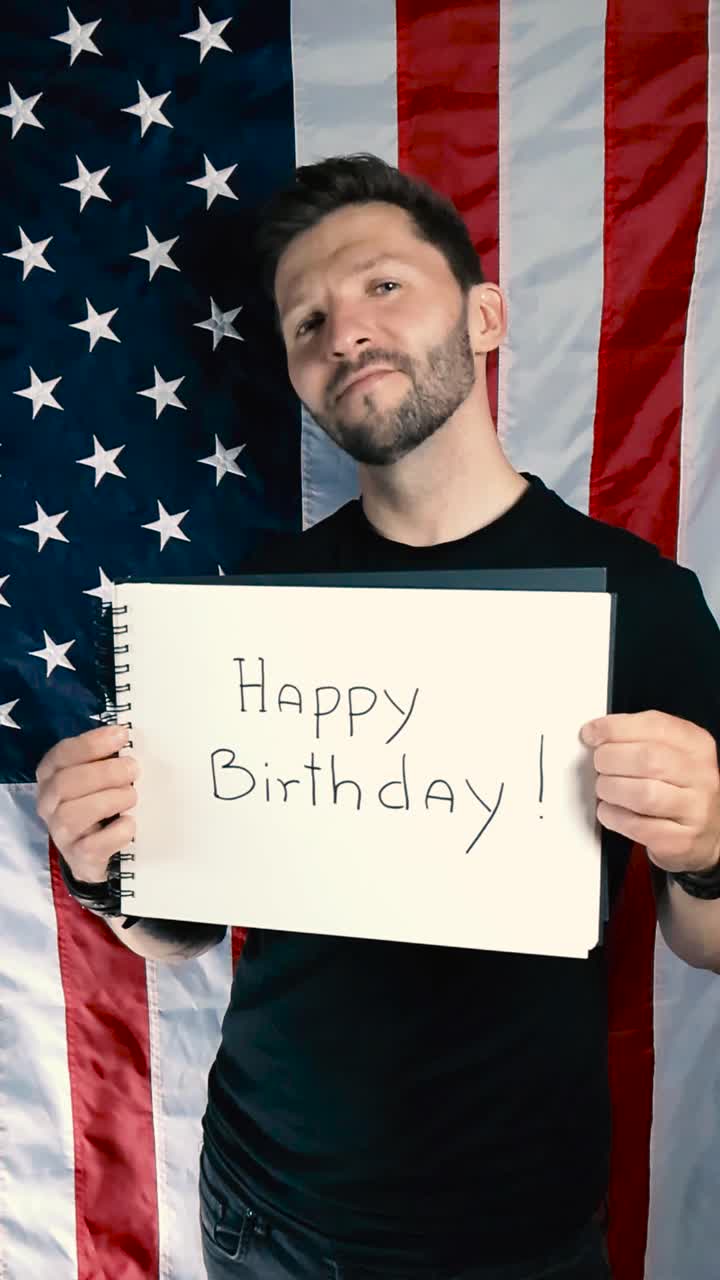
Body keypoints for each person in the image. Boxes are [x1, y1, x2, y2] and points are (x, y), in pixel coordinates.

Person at [35, 154, 720, 1280]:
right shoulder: (252, 610)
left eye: (382, 287)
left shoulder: (637, 598)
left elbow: (708, 939)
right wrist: (112, 868)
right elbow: (183, 932)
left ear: (485, 315)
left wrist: (708, 844)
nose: (342, 329)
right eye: (307, 319)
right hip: (265, 1207)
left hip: (517, 1225)